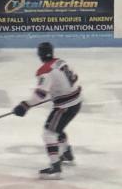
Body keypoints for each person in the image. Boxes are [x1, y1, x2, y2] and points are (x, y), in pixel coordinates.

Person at [12, 42, 82, 178]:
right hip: (76, 101)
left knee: (49, 133)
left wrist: (25, 105)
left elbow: (40, 95)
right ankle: (66, 153)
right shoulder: (61, 62)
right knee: (57, 128)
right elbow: (74, 78)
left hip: (65, 106)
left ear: (39, 55)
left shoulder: (45, 71)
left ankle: (55, 167)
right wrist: (59, 91)